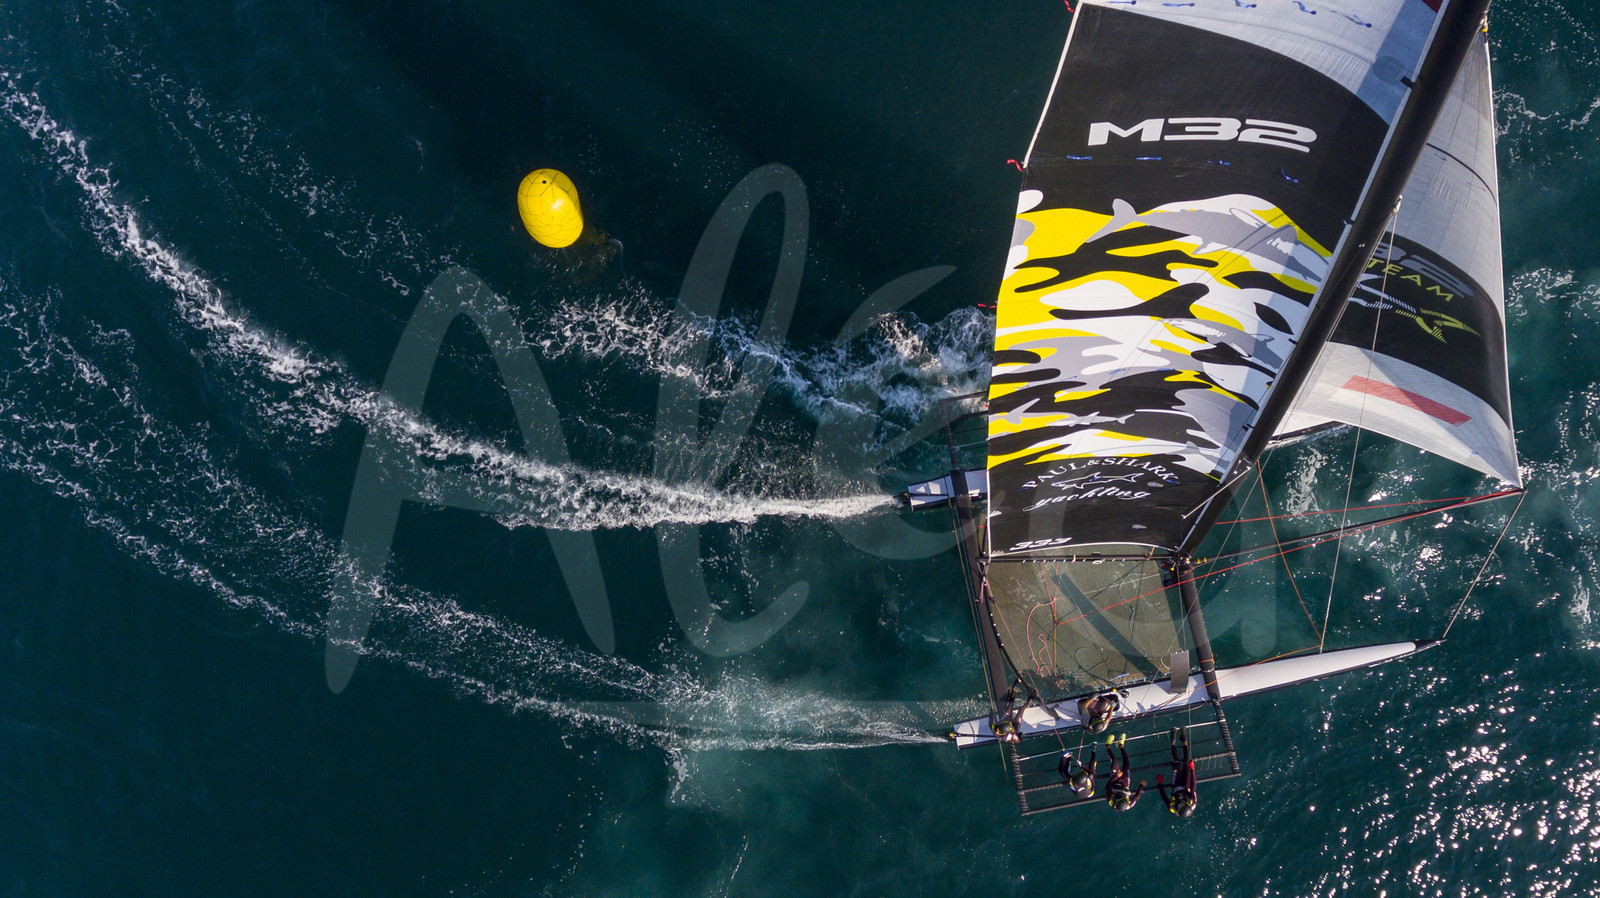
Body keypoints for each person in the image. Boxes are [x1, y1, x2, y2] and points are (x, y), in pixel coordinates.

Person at [1157, 727, 1198, 818]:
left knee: (1175, 761)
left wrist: (1160, 784)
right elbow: (1193, 785)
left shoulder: (1172, 808)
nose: (1181, 801)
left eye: (1180, 803)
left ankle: (1173, 740)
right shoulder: (1193, 802)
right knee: (1187, 759)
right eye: (1183, 802)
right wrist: (1192, 769)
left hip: (1176, 785)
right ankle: (1183, 737)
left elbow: (1164, 797)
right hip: (1186, 785)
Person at [1104, 733, 1144, 811]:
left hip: (1114, 783)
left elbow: (1107, 786)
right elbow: (1136, 797)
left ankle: (1107, 746)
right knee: (1127, 762)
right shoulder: (1129, 804)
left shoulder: (1110, 801)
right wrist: (1141, 785)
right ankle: (1120, 745)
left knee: (1115, 762)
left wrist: (1116, 776)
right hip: (1125, 785)